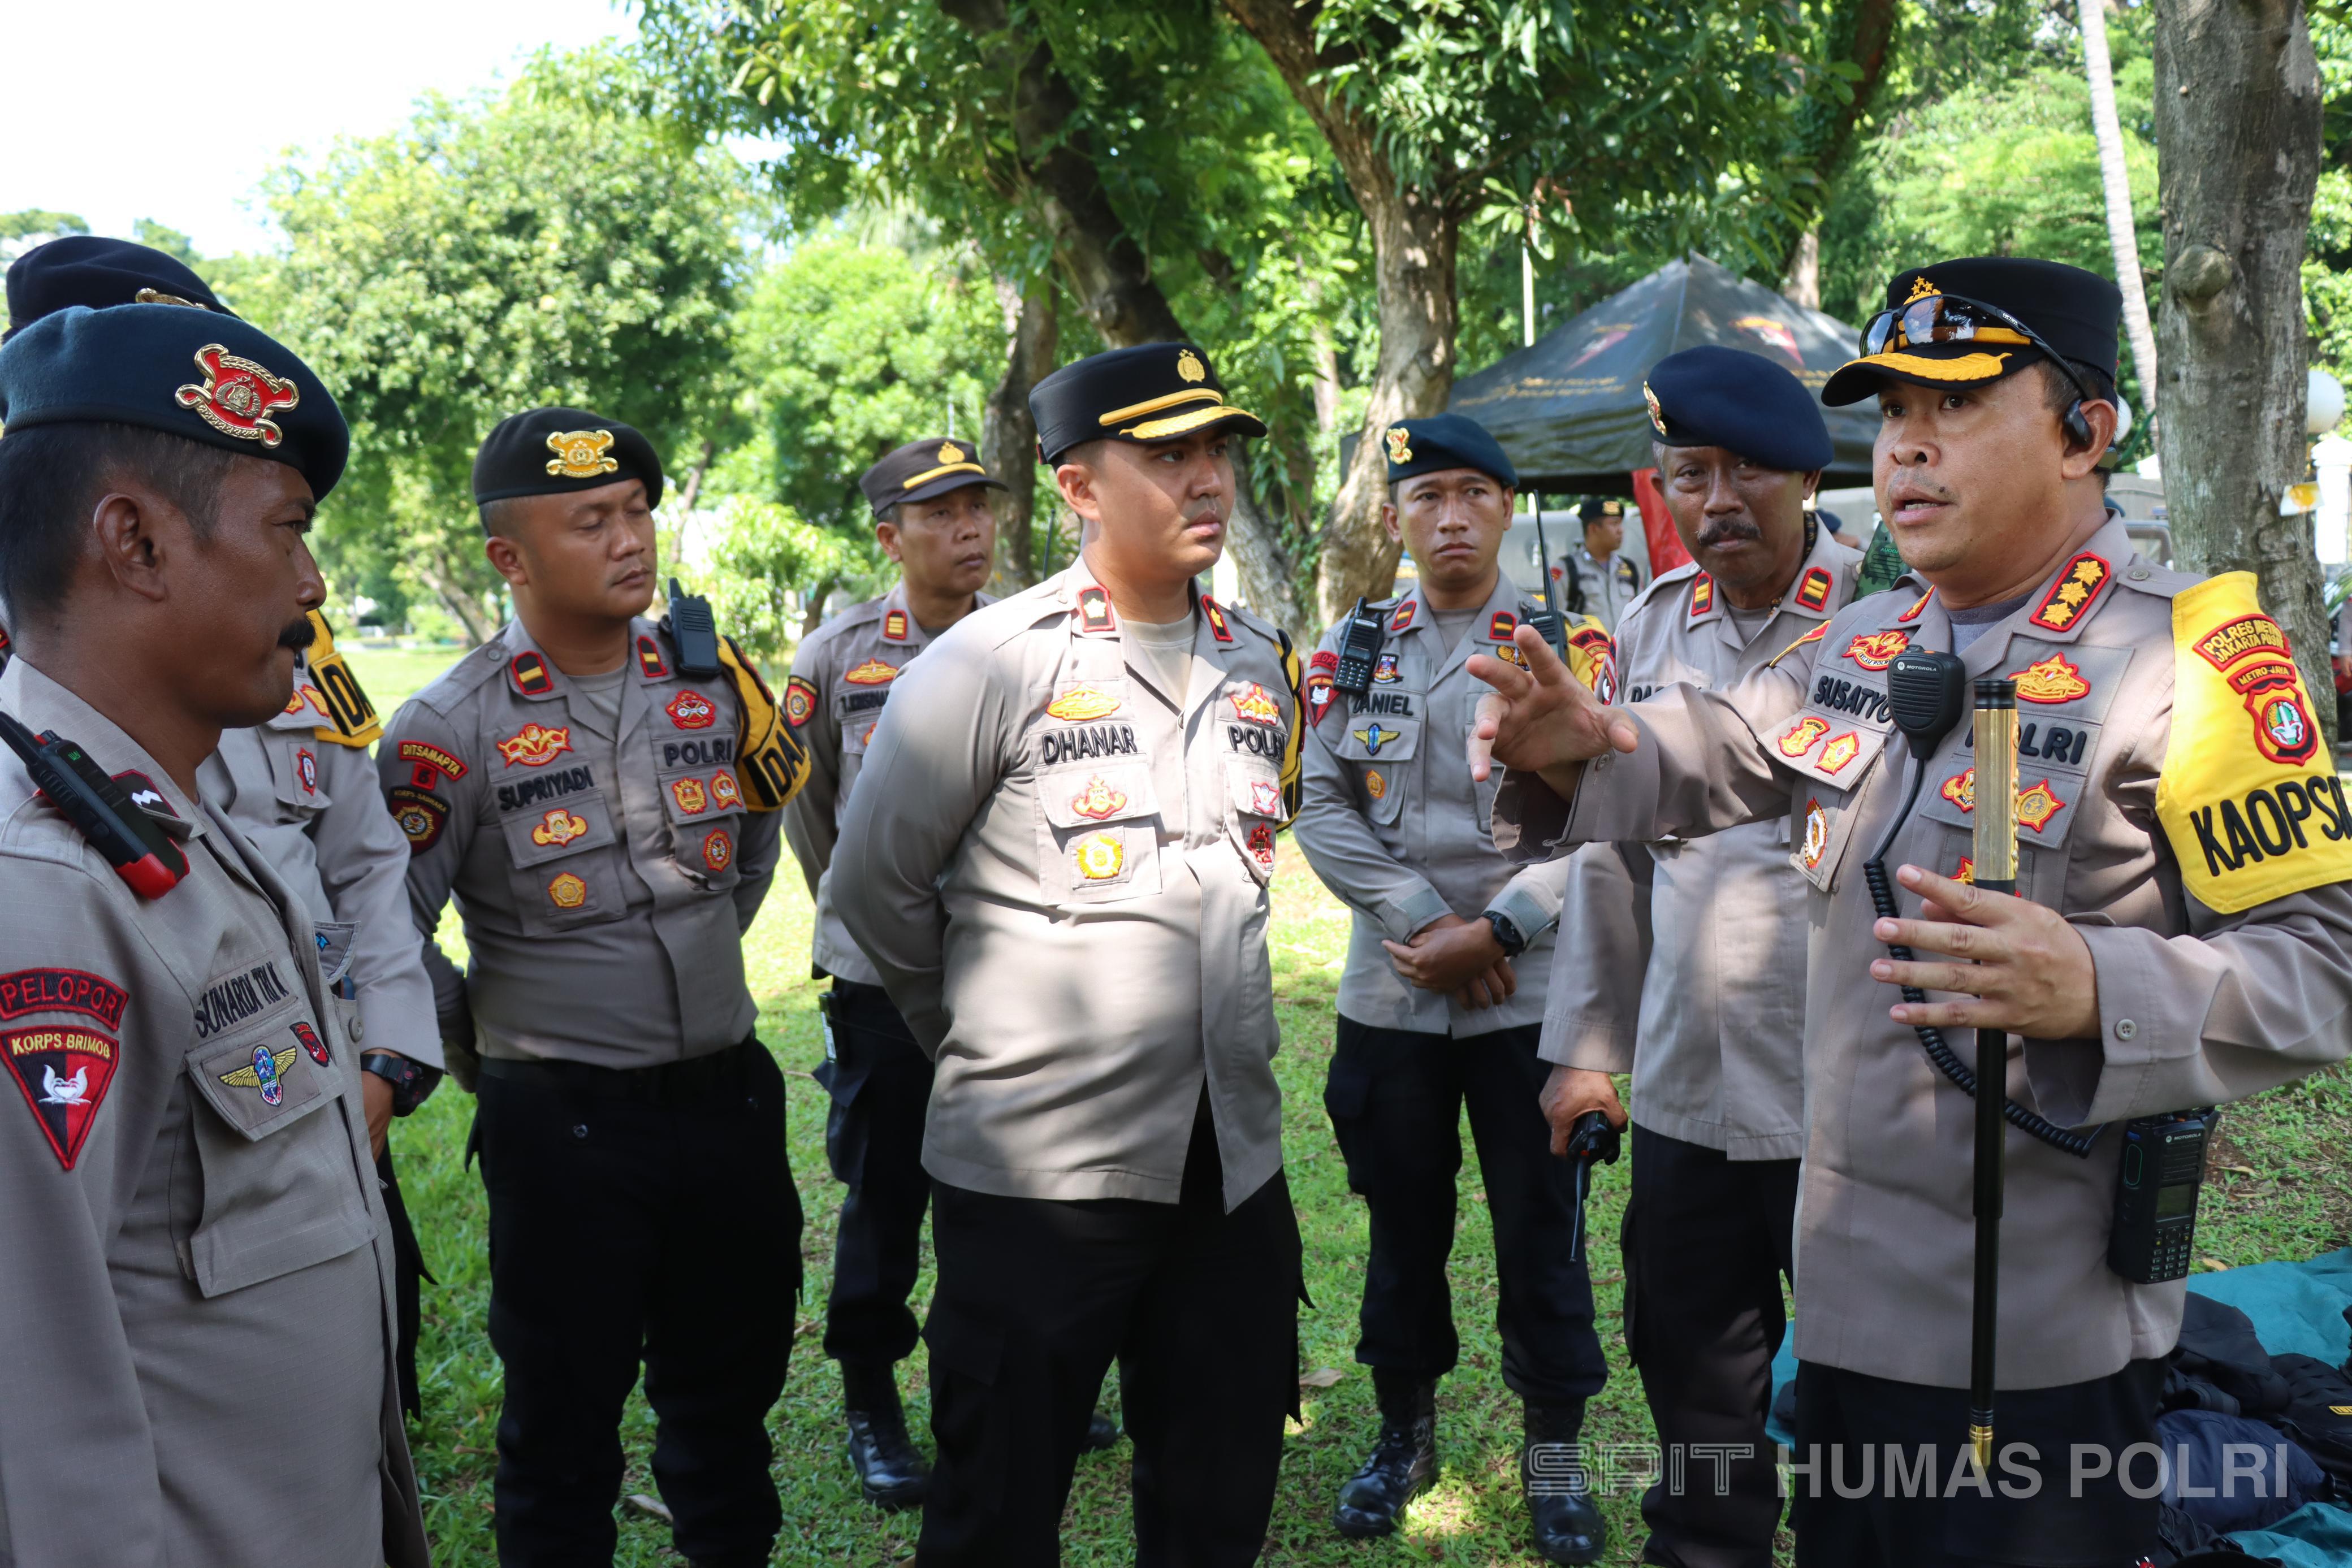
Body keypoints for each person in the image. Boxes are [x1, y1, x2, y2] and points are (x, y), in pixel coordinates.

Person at [1471, 257, 2352, 1563]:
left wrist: (2098, 983)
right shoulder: (1874, 638)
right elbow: (1720, 752)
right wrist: (1578, 744)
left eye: (1954, 406)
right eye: (1889, 416)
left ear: (2084, 434)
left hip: (2035, 1336)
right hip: (1845, 1303)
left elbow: (2322, 963)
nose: (1907, 449)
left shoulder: (2194, 659)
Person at [834, 342, 1305, 1566]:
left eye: (1217, 451)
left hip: (1228, 1161)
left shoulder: (1258, 662)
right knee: (1000, 1502)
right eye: (1166, 455)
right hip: (1038, 1172)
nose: (1206, 480)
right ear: (1078, 488)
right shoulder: (987, 664)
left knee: (1217, 1491)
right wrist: (991, 1043)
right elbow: (876, 890)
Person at [0, 301, 427, 1567]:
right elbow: (36, 1410)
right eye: (288, 529)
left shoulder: (162, 813)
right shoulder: (47, 890)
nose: (314, 584)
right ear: (133, 542)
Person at [379, 406, 811, 1567]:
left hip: (727, 1102)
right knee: (562, 1434)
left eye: (636, 512)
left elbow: (754, 850)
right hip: (564, 1127)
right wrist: (485, 1043)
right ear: (508, 559)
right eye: (591, 521)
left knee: (728, 1412)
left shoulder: (712, 684)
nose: (631, 540)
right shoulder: (447, 730)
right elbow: (388, 931)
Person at [1543, 345, 1861, 1568]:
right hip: (1684, 1082)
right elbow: (1610, 856)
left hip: (1840, 1085)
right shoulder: (1646, 625)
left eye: (1746, 474)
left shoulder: (1884, 614)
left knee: (1853, 1380)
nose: (1719, 501)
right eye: (1690, 474)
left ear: (1803, 476)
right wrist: (1582, 1053)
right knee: (1689, 1361)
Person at [1292, 412, 1615, 1563]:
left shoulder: (1565, 645)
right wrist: (1429, 923)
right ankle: (1402, 1437)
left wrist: (1501, 927)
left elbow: (1607, 814)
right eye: (1426, 496)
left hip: (1531, 998)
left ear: (1505, 509)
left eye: (1474, 492)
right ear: (1396, 519)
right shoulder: (1356, 645)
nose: (1450, 515)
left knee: (1546, 1233)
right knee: (1400, 1230)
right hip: (1393, 995)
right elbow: (1318, 802)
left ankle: (1556, 1465)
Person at [787, 434, 1117, 1499]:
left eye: (979, 507)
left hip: (1015, 967)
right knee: (884, 1194)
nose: (970, 527)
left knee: (1031, 1188)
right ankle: (873, 1401)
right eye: (941, 513)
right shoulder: (835, 657)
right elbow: (818, 823)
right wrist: (877, 935)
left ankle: (1031, 1375)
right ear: (891, 536)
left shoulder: (1041, 640)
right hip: (885, 977)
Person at [1557, 495, 1645, 631]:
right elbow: (1557, 620)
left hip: (1626, 651)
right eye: (1614, 523)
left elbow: (1643, 615)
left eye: (1621, 524)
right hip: (1587, 651)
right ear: (1593, 529)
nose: (1620, 530)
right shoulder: (1566, 568)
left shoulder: (1629, 567)